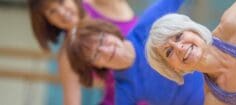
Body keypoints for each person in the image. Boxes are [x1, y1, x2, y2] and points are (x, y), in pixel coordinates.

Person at [66, 0, 205, 105]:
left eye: (102, 40)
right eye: (95, 54)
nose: (105, 50)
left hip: (218, 78)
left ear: (109, 30)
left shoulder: (147, 25)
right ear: (95, 66)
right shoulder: (124, 89)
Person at [28, 0, 137, 104]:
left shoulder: (98, 3)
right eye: (52, 11)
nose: (61, 12)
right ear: (48, 21)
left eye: (61, 1)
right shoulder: (69, 56)